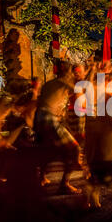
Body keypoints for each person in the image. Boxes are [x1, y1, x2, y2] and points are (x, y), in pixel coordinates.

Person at [34, 63, 82, 194]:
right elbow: (80, 92)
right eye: (71, 72)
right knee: (74, 148)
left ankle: (41, 178)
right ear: (68, 73)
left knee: (49, 150)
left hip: (39, 118)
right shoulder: (63, 83)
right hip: (49, 119)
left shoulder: (48, 84)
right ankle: (64, 184)